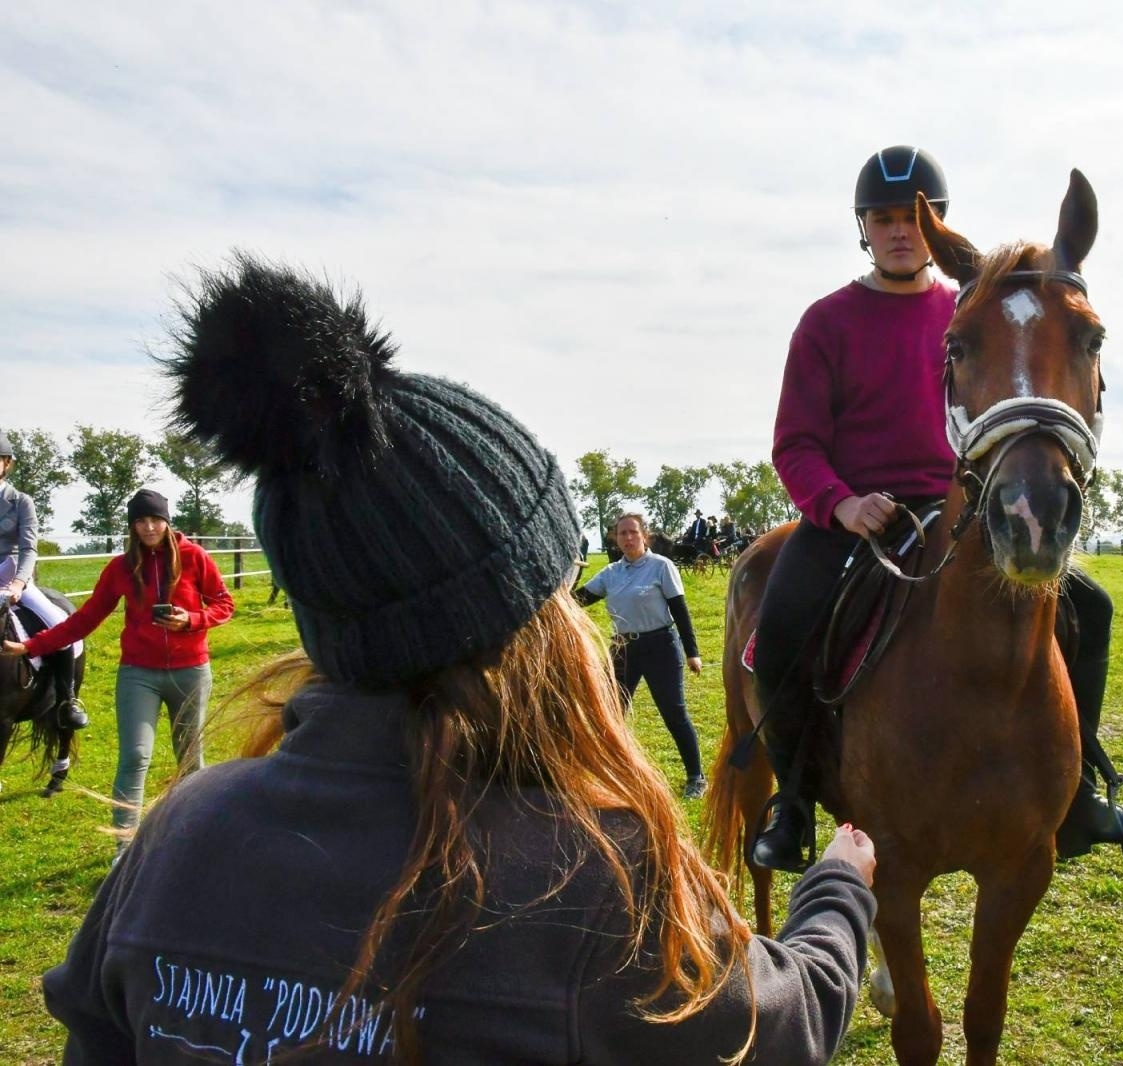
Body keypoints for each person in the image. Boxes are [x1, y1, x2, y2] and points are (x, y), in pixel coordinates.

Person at [38, 256, 878, 1065]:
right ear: (526, 623)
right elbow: (780, 1025)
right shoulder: (591, 877)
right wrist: (839, 886)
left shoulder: (182, 833)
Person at [748, 144, 1123, 873]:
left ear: (934, 225)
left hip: (962, 502)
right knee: (785, 619)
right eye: (882, 218)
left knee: (1092, 607)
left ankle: (1079, 796)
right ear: (864, 228)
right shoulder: (826, 322)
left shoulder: (978, 313)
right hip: (858, 516)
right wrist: (841, 504)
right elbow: (795, 443)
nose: (898, 231)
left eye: (909, 217)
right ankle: (792, 803)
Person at [4, 488, 233, 844]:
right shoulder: (120, 568)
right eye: (140, 521)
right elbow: (84, 620)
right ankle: (124, 847)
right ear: (132, 526)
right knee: (135, 757)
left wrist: (191, 619)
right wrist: (31, 646)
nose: (149, 527)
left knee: (191, 757)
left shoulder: (195, 557)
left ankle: (194, 838)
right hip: (138, 674)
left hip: (191, 672)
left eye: (155, 519)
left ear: (167, 521)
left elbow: (223, 603)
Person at [575, 512, 708, 799]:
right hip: (623, 649)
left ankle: (696, 776)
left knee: (674, 713)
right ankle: (614, 776)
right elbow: (578, 600)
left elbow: (680, 611)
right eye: (622, 533)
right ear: (615, 539)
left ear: (644, 535)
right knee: (610, 713)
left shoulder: (661, 566)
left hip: (660, 647)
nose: (627, 538)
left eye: (633, 532)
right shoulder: (611, 573)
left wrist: (692, 653)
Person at [0, 430, 85, 730]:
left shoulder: (20, 502)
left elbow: (28, 548)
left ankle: (66, 701)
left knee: (60, 626)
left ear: (6, 463)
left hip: (11, 576)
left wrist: (18, 583)